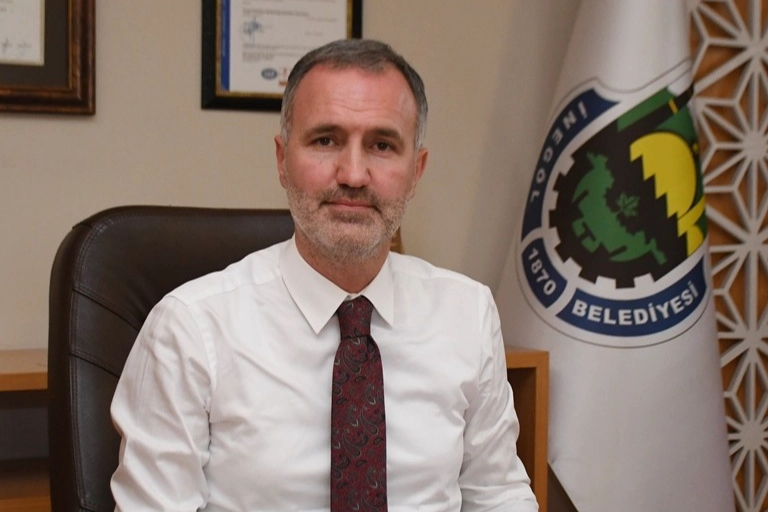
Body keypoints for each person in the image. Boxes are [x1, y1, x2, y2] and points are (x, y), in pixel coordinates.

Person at [110, 38, 538, 511]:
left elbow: (497, 494)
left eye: (382, 145)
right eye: (325, 140)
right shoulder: (190, 330)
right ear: (282, 160)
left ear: (416, 171)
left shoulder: (467, 314)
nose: (353, 174)